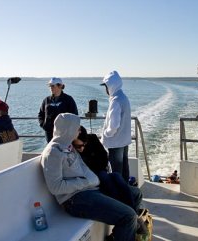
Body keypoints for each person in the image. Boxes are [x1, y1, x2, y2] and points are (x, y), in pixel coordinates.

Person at [40, 113, 142, 241]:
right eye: (76, 128)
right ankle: (130, 229)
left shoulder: (68, 147)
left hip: (91, 190)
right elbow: (55, 187)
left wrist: (94, 181)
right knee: (129, 216)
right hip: (74, 199)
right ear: (68, 130)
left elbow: (84, 169)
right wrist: (87, 182)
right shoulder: (52, 153)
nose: (79, 130)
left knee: (135, 193)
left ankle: (119, 235)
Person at [73, 125, 135, 209]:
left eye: (84, 144)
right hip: (89, 176)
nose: (82, 148)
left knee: (117, 176)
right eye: (78, 146)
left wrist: (100, 167)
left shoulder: (92, 139)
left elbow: (104, 155)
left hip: (100, 169)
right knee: (104, 177)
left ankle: (133, 210)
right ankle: (121, 206)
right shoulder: (71, 150)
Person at [100, 70, 131, 182]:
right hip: (124, 140)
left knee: (116, 171)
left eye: (106, 86)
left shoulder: (116, 100)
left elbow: (114, 125)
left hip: (116, 142)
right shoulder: (123, 97)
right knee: (124, 169)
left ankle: (119, 196)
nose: (106, 89)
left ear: (111, 86)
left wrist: (106, 134)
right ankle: (127, 191)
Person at [38, 77, 78, 142]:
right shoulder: (46, 100)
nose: (51, 88)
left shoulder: (68, 99)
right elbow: (40, 114)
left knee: (63, 150)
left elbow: (74, 115)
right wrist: (43, 125)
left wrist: (68, 130)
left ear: (60, 86)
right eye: (50, 86)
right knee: (51, 149)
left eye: (53, 86)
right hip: (49, 132)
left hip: (63, 133)